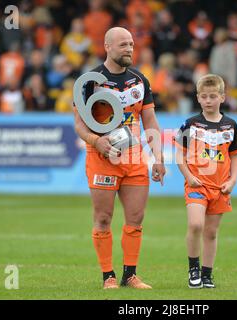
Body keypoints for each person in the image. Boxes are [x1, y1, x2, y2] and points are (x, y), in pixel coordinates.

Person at [73, 27, 166, 289]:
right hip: (101, 156)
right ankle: (108, 276)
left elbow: (150, 120)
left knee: (136, 217)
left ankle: (130, 275)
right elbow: (79, 124)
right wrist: (96, 141)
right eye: (123, 45)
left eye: (132, 45)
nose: (129, 49)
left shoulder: (140, 80)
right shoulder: (90, 80)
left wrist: (158, 157)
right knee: (103, 218)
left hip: (134, 158)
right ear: (107, 46)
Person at [174, 74, 237, 289]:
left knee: (212, 232)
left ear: (222, 97)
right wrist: (189, 176)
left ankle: (207, 274)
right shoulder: (191, 123)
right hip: (197, 185)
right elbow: (179, 154)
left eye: (213, 96)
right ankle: (193, 268)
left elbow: (235, 156)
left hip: (220, 188)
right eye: (204, 96)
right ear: (198, 98)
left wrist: (233, 181)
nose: (208, 100)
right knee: (196, 224)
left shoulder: (230, 125)